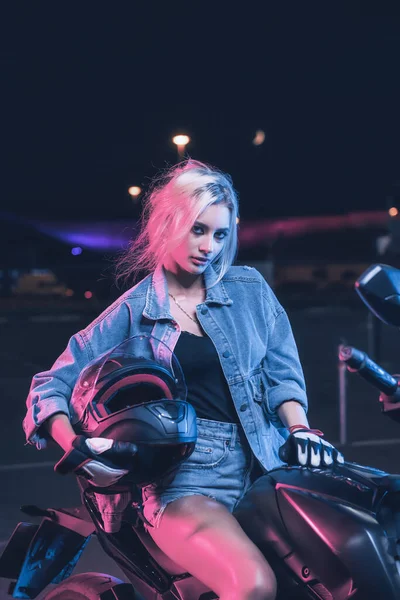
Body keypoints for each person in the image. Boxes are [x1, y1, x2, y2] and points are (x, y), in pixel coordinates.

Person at [23, 159, 343, 600]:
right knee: (252, 586)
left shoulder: (250, 289)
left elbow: (282, 375)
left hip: (269, 464)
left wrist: (299, 427)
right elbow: (50, 384)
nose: (209, 246)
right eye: (198, 230)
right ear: (167, 224)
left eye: (220, 234)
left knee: (350, 559)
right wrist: (72, 442)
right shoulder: (134, 312)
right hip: (186, 482)